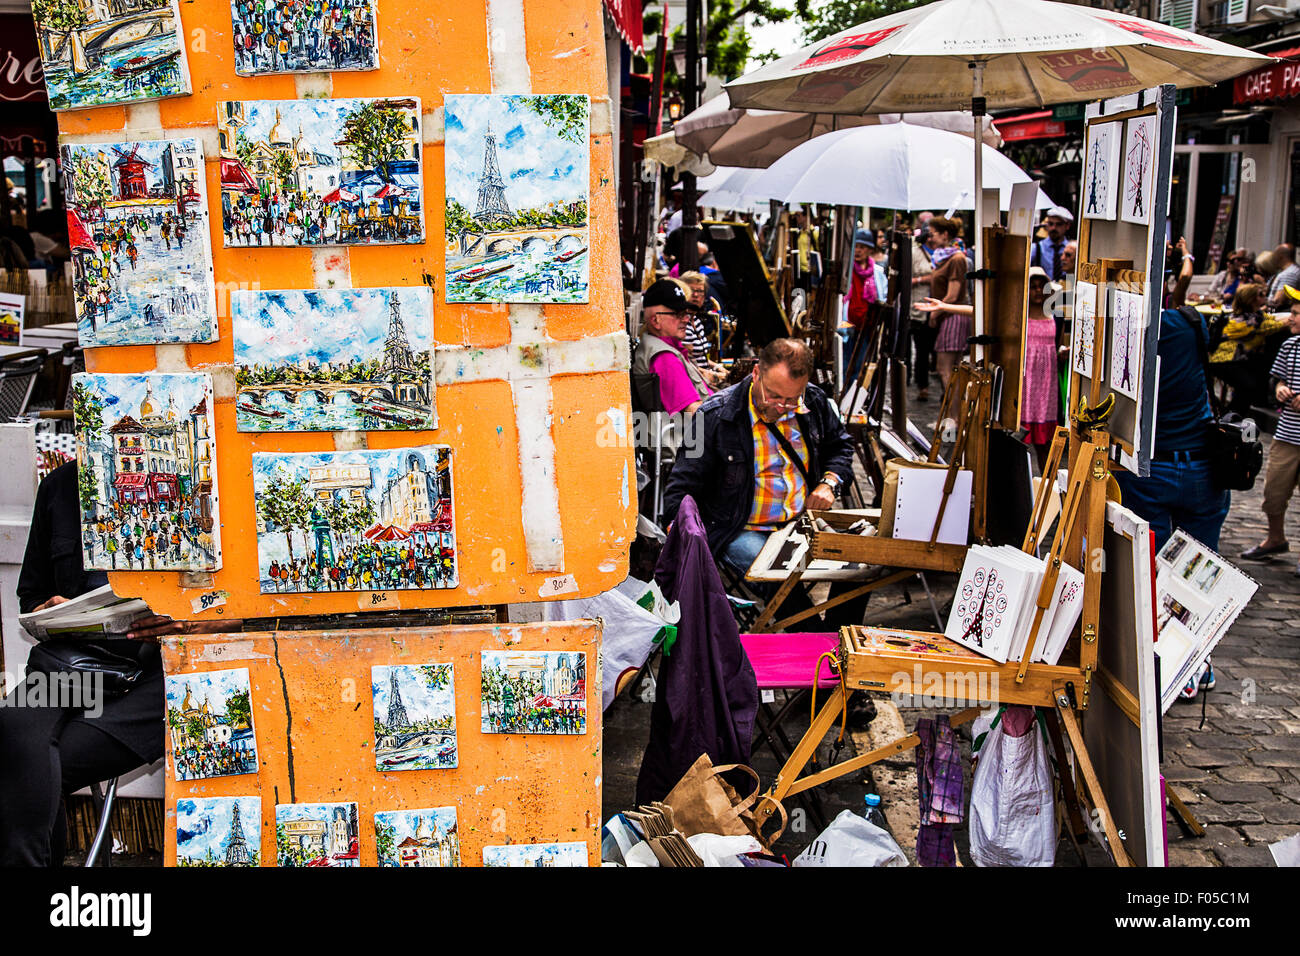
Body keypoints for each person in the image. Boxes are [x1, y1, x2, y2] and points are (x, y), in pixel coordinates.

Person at [0, 463, 236, 865]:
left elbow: (253, 600)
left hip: (167, 670)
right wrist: (52, 610)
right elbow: (31, 596)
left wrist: (203, 618)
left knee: (36, 771)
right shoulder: (60, 486)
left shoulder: (212, 472)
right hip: (75, 665)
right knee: (13, 738)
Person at [663, 338, 853, 573]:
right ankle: (804, 611)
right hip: (740, 528)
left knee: (857, 571)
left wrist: (830, 482)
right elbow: (681, 487)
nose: (781, 407)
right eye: (773, 395)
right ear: (756, 374)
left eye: (792, 399)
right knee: (782, 576)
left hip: (802, 522)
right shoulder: (713, 415)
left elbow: (841, 447)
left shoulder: (813, 400)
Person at [1112, 252, 1229, 555]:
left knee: (1146, 567)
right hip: (1199, 463)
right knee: (1200, 564)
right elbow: (1174, 312)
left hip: (1149, 466)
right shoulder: (1191, 324)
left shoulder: (1118, 332)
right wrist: (1186, 261)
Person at [1239, 300, 1300, 569]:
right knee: (1274, 492)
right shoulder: (1290, 346)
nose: (1290, 319)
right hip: (1288, 433)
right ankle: (1276, 539)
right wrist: (1280, 389)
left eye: (1297, 314)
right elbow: (1278, 378)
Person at [633, 278, 714, 415]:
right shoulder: (664, 357)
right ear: (656, 320)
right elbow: (695, 413)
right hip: (692, 434)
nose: (686, 319)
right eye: (678, 314)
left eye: (686, 313)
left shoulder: (666, 347)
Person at [926, 216, 970, 391]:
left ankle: (954, 416)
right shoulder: (944, 257)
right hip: (949, 316)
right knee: (950, 368)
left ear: (944, 234)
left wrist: (934, 313)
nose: (930, 238)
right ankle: (953, 414)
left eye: (933, 234)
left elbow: (952, 295)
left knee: (945, 368)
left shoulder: (957, 259)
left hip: (953, 316)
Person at [844, 229, 881, 383]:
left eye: (862, 247)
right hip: (847, 326)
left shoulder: (877, 272)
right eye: (856, 246)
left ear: (870, 250)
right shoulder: (846, 270)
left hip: (867, 327)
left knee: (860, 366)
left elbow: (881, 297)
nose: (858, 250)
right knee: (846, 364)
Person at [909, 226, 938, 402]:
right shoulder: (915, 254)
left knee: (936, 348)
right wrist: (924, 279)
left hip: (939, 307)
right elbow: (907, 279)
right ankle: (922, 385)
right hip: (920, 306)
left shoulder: (945, 253)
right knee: (921, 350)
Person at [1030, 207, 1074, 281]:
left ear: (1067, 226)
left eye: (1058, 224)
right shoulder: (1036, 248)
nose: (1053, 228)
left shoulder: (1072, 249)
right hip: (1043, 291)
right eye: (1050, 224)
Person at [1267, 243, 1300, 310]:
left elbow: (1278, 301)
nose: (1272, 258)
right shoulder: (1285, 271)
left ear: (1280, 257)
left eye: (1274, 255)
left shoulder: (1290, 274)